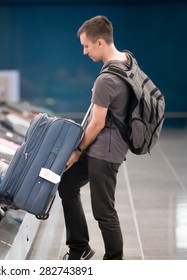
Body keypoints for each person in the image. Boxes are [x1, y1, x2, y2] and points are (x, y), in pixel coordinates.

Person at [58, 15, 133, 260]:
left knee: (103, 211)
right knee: (67, 184)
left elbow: (97, 122)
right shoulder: (127, 60)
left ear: (100, 43)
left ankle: (114, 260)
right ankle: (79, 247)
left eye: (86, 46)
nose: (84, 51)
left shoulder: (107, 78)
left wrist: (77, 150)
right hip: (105, 147)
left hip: (104, 151)